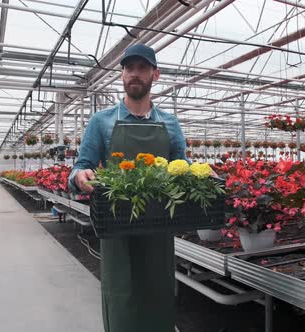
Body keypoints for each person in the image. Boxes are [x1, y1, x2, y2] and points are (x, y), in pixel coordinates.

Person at [69, 44, 187, 332]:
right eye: (129, 68)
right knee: (121, 297)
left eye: (142, 68)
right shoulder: (101, 122)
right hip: (116, 227)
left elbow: (181, 167)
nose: (135, 73)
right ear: (121, 74)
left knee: (158, 297)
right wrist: (79, 176)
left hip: (159, 228)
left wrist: (200, 174)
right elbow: (80, 165)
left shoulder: (170, 124)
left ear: (155, 74)